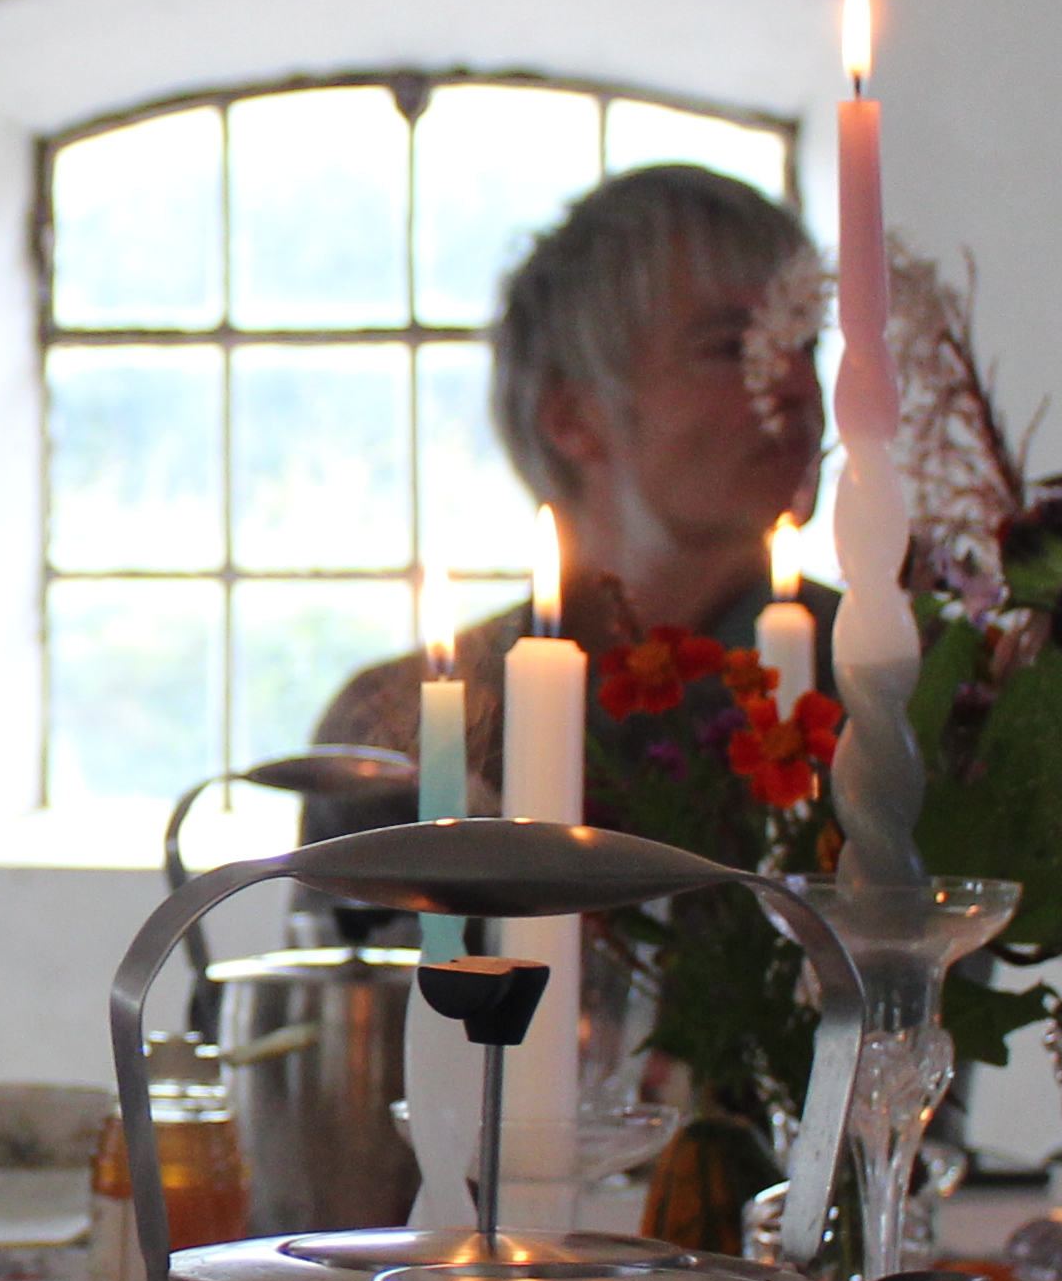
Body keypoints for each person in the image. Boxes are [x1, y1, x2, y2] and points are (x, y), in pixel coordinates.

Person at [310, 160, 834, 837]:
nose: (796, 385)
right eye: (734, 348)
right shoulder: (404, 729)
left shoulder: (896, 690)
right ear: (573, 417)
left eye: (807, 345)